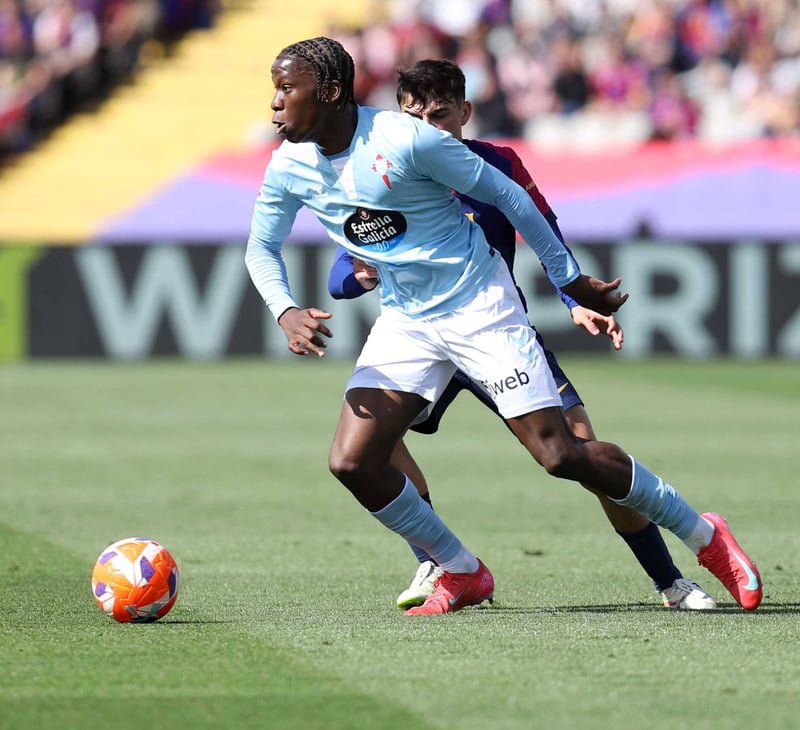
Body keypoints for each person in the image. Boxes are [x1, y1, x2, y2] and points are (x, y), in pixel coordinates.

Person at [245, 36, 763, 615]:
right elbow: (261, 247)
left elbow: (510, 197)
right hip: (407, 318)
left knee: (561, 454)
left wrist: (569, 281)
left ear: (331, 91)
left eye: (286, 89)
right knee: (352, 461)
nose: (275, 103)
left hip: (479, 306)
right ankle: (459, 568)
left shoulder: (405, 139)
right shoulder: (288, 165)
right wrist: (284, 308)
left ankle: (704, 535)